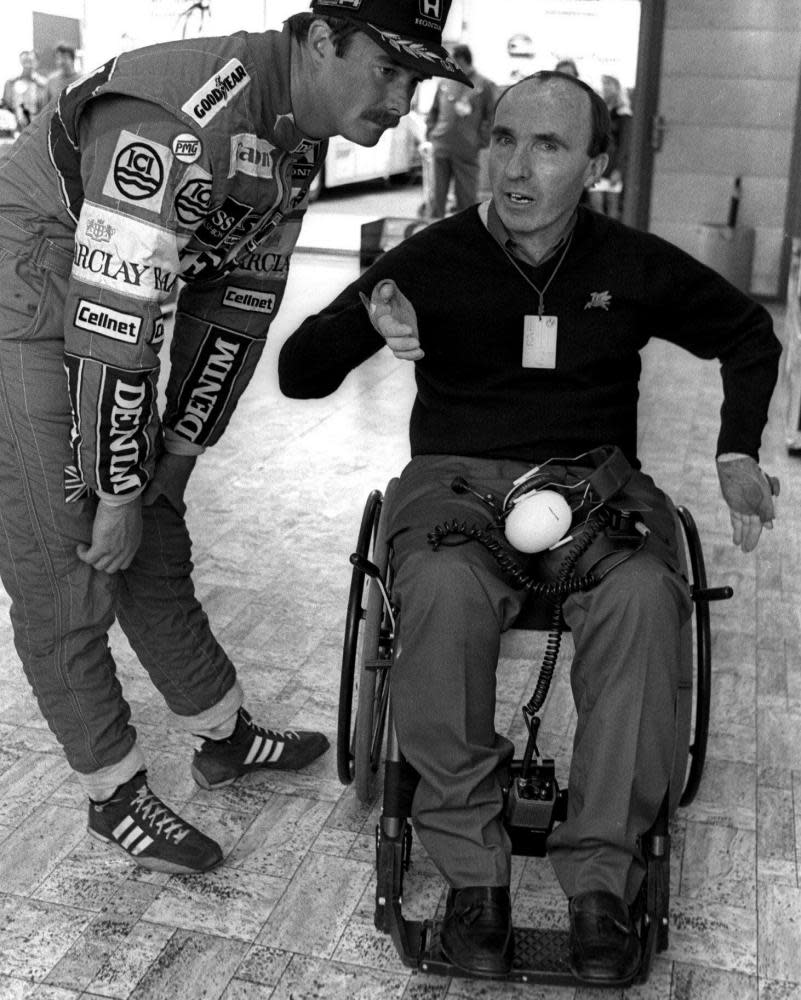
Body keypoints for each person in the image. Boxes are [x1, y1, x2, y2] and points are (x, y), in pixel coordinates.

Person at [278, 71, 781, 984]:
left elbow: (748, 331)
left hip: (593, 485)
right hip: (456, 483)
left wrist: (735, 450)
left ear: (593, 164)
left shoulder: (629, 262)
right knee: (436, 590)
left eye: (546, 147)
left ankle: (598, 880)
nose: (514, 166)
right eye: (504, 138)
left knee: (639, 597)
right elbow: (300, 377)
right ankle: (475, 876)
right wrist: (363, 312)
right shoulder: (428, 258)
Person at [0, 0, 470, 877]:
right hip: (26, 300)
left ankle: (221, 735)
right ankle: (115, 791)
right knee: (67, 556)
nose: (404, 100)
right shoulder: (181, 120)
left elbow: (236, 313)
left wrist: (172, 463)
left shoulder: (295, 139)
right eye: (390, 71)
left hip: (114, 300)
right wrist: (111, 489)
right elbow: (114, 316)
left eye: (416, 79)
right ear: (322, 40)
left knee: (155, 528)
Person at [425, 43, 494, 218]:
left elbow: (492, 116)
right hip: (441, 147)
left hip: (466, 150)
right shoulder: (445, 83)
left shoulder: (483, 85)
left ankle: (465, 237)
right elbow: (433, 111)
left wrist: (481, 140)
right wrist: (431, 133)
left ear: (461, 59)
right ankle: (432, 234)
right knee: (436, 197)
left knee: (466, 199)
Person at [588, 73, 632, 219]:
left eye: (609, 84)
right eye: (604, 84)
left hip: (613, 164)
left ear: (617, 88)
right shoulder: (598, 110)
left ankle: (612, 240)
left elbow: (625, 145)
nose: (605, 88)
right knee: (596, 204)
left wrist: (619, 169)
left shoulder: (623, 114)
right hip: (597, 163)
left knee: (612, 204)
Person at [1, 49, 46, 131]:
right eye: (25, 61)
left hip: (37, 129)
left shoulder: (43, 85)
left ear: (37, 63)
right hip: (14, 129)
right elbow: (6, 105)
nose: (28, 65)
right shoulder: (10, 83)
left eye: (31, 61)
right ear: (21, 62)